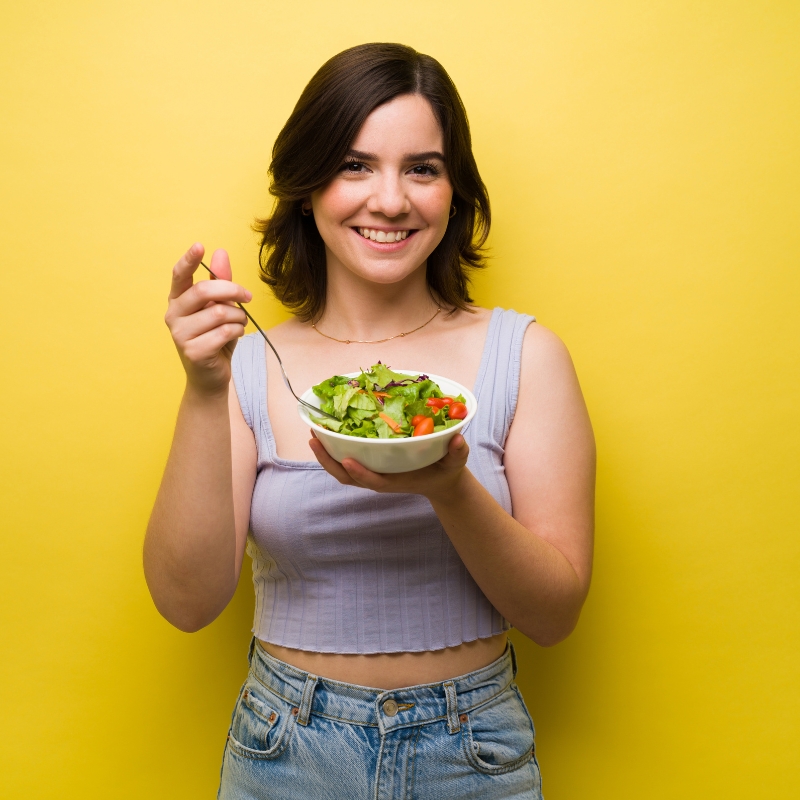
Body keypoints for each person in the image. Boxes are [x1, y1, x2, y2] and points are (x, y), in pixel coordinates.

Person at [144, 43, 595, 800]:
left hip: (473, 751)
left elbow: (554, 616)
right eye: (354, 165)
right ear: (307, 184)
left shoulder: (527, 357)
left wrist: (449, 488)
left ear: (455, 190)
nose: (389, 200)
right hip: (283, 746)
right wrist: (202, 389)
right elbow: (186, 604)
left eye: (422, 167)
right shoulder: (248, 365)